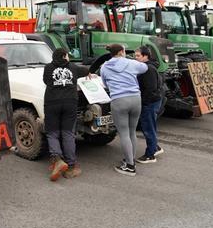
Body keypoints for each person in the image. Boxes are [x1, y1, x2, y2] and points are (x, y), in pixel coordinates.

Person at [99, 44, 148, 176]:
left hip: (119, 100)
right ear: (121, 52)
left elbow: (105, 84)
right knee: (132, 132)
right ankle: (130, 160)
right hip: (135, 98)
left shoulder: (104, 67)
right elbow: (145, 67)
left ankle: (130, 166)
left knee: (124, 134)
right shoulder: (131, 63)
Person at [42, 48, 88, 181]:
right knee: (68, 133)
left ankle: (57, 160)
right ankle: (71, 166)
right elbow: (86, 70)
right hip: (70, 103)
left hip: (52, 103)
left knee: (52, 133)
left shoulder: (48, 68)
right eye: (67, 55)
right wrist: (89, 73)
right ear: (64, 56)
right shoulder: (73, 67)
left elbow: (46, 81)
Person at [134, 46, 164, 164]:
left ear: (145, 56)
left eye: (138, 56)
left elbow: (150, 89)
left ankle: (150, 155)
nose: (136, 58)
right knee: (150, 126)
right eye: (135, 55)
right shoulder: (148, 67)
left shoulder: (147, 69)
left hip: (150, 102)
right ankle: (155, 147)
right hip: (152, 101)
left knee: (148, 128)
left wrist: (143, 102)